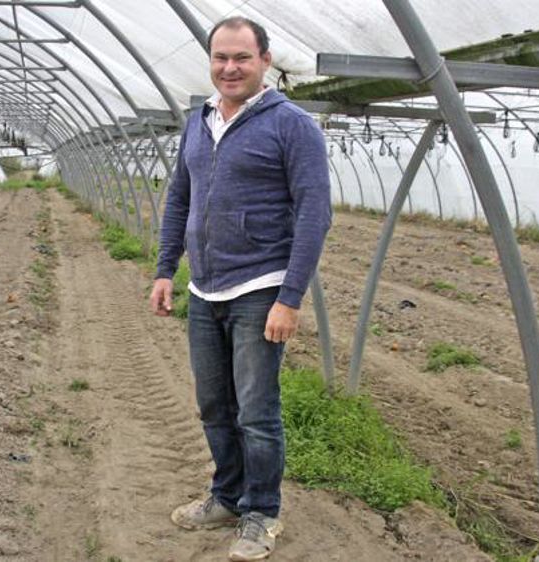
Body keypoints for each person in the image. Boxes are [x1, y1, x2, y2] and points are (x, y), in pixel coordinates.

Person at [149, 15, 331, 562]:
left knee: (256, 410)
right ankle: (226, 497)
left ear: (265, 61)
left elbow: (314, 215)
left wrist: (290, 297)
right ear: (210, 61)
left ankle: (261, 514)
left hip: (260, 287)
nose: (230, 68)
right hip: (205, 289)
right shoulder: (197, 121)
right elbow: (180, 198)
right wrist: (165, 269)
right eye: (221, 58)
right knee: (212, 405)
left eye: (242, 58)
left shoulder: (291, 125)